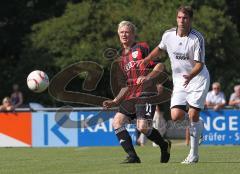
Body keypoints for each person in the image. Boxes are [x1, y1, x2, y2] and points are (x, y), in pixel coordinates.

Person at [137, 6, 210, 164]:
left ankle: (193, 155)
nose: (181, 21)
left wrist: (190, 75)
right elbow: (159, 48)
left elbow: (200, 64)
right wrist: (147, 59)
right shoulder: (168, 34)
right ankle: (198, 124)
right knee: (176, 116)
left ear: (190, 20)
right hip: (180, 81)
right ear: (176, 19)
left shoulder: (197, 38)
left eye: (185, 18)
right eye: (179, 17)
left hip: (197, 79)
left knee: (192, 115)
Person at [103, 21, 171, 163]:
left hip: (146, 93)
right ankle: (133, 156)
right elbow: (125, 86)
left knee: (142, 127)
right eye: (121, 32)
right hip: (132, 96)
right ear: (118, 34)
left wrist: (147, 77)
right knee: (117, 122)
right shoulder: (121, 58)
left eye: (127, 32)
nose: (124, 35)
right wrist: (115, 100)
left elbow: (160, 65)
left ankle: (164, 145)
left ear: (133, 35)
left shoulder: (142, 48)